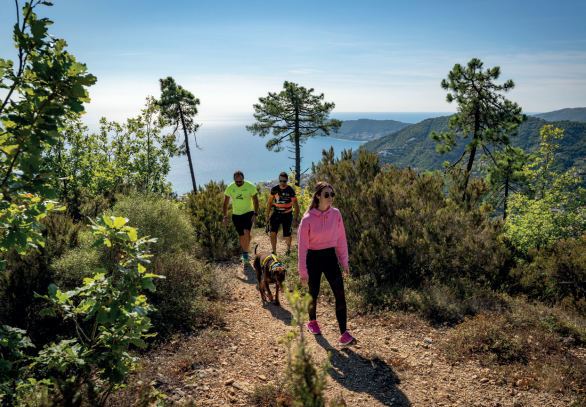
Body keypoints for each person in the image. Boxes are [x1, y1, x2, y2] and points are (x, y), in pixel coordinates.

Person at [297, 181, 356, 346]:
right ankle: (312, 320)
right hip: (313, 259)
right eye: (326, 195)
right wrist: (303, 272)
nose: (330, 198)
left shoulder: (336, 214)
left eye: (332, 194)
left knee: (340, 293)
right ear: (317, 196)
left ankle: (344, 334)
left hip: (330, 258)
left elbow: (340, 239)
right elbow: (301, 248)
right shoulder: (307, 219)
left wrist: (344, 261)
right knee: (313, 293)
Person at [223, 170, 259, 264]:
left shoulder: (250, 186)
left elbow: (256, 201)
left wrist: (255, 214)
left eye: (240, 181)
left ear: (243, 179)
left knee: (246, 231)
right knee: (241, 235)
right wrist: (225, 216)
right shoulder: (230, 187)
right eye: (236, 181)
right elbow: (225, 203)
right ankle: (244, 252)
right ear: (234, 180)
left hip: (248, 212)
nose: (238, 183)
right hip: (236, 215)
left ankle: (246, 253)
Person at [265, 172, 300, 254]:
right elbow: (269, 202)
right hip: (276, 213)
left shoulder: (290, 190)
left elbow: (296, 205)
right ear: (278, 180)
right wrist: (267, 216)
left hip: (287, 214)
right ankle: (274, 251)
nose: (282, 183)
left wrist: (296, 219)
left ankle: (288, 250)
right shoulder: (274, 189)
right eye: (281, 181)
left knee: (287, 234)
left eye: (284, 181)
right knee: (272, 232)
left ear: (287, 180)